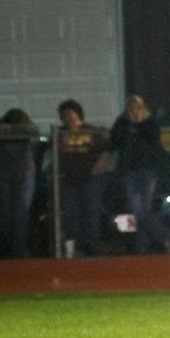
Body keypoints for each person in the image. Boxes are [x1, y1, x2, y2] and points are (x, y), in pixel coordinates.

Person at [109, 95, 170, 254]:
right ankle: (163, 235)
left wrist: (140, 123)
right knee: (137, 209)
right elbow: (114, 140)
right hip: (130, 172)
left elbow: (154, 137)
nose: (135, 112)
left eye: (138, 108)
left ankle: (142, 246)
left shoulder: (150, 123)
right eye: (131, 109)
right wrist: (127, 123)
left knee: (145, 208)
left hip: (148, 171)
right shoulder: (122, 123)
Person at [55, 99, 108, 256]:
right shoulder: (60, 133)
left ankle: (92, 244)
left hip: (90, 179)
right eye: (64, 115)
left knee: (91, 211)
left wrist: (101, 163)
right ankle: (76, 244)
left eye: (70, 114)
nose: (67, 118)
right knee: (72, 214)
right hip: (70, 180)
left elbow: (106, 148)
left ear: (78, 114)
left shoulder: (92, 131)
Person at [0, 107, 39, 257]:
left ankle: (19, 249)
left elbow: (34, 131)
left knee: (21, 213)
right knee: (4, 213)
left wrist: (12, 128)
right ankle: (4, 248)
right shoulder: (1, 125)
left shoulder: (28, 127)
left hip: (24, 174)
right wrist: (13, 128)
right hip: (3, 174)